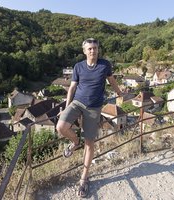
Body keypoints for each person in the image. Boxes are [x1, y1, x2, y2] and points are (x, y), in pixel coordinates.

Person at [56, 38, 122, 198]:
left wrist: (120, 93)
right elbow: (72, 88)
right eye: (90, 49)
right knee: (61, 127)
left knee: (90, 143)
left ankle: (83, 179)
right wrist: (66, 107)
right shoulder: (78, 66)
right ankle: (75, 142)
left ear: (98, 49)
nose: (93, 51)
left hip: (94, 108)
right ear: (84, 51)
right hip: (77, 102)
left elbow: (111, 80)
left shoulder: (105, 64)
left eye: (95, 48)